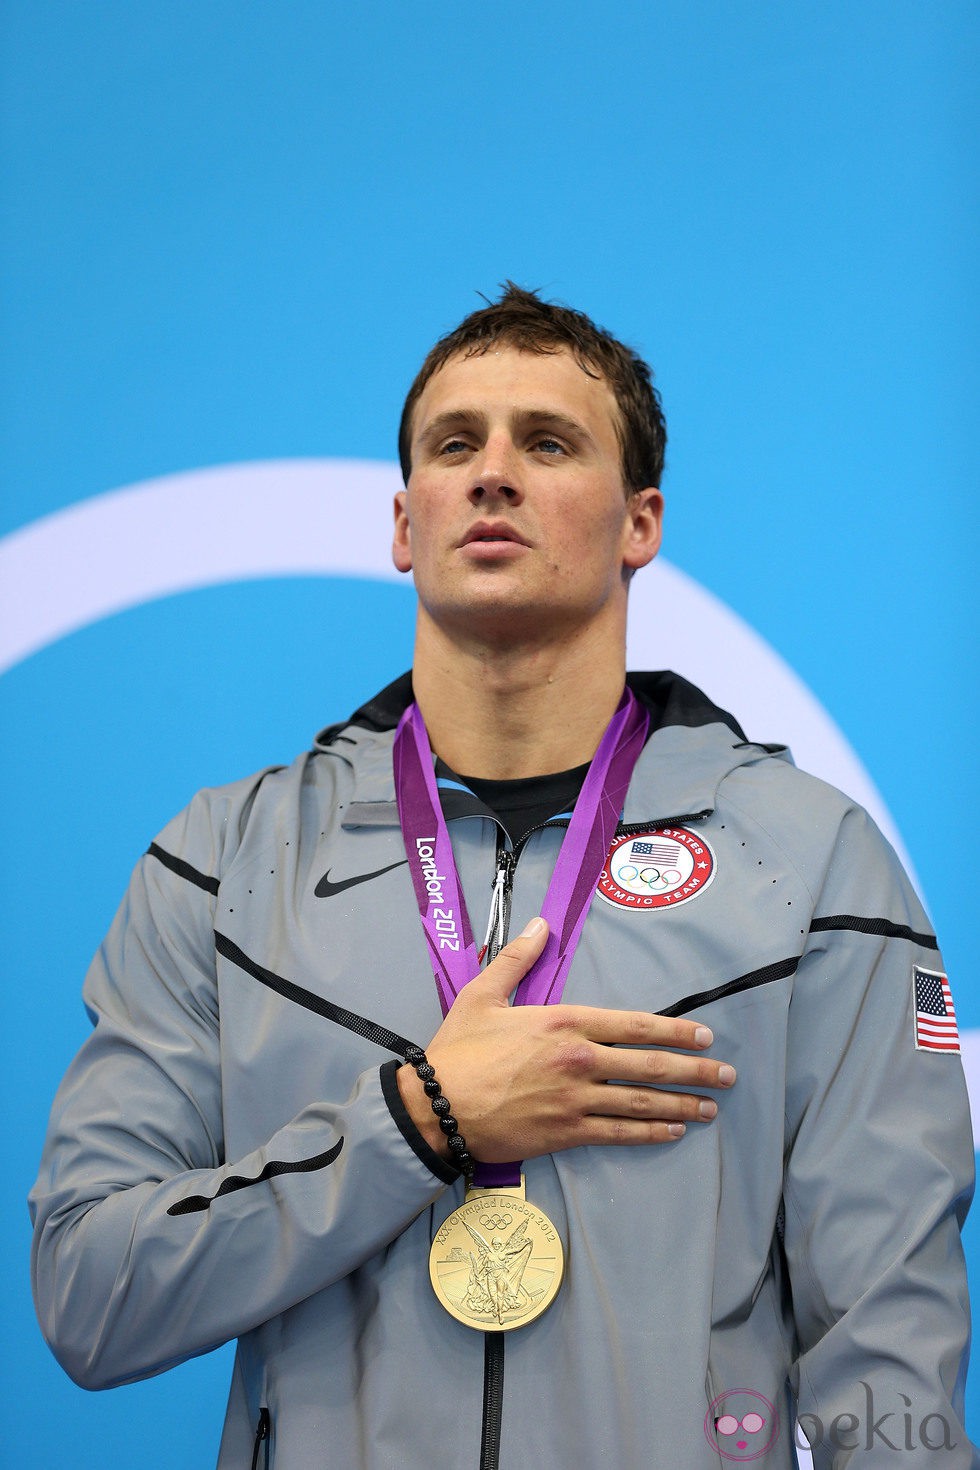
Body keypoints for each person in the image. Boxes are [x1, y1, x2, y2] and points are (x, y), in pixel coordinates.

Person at [30, 284, 976, 1469]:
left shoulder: (810, 864)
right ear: (401, 521)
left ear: (639, 523)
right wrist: (418, 1121)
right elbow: (90, 1292)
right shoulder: (223, 864)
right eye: (453, 444)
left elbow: (886, 1349)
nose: (492, 475)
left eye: (547, 442)